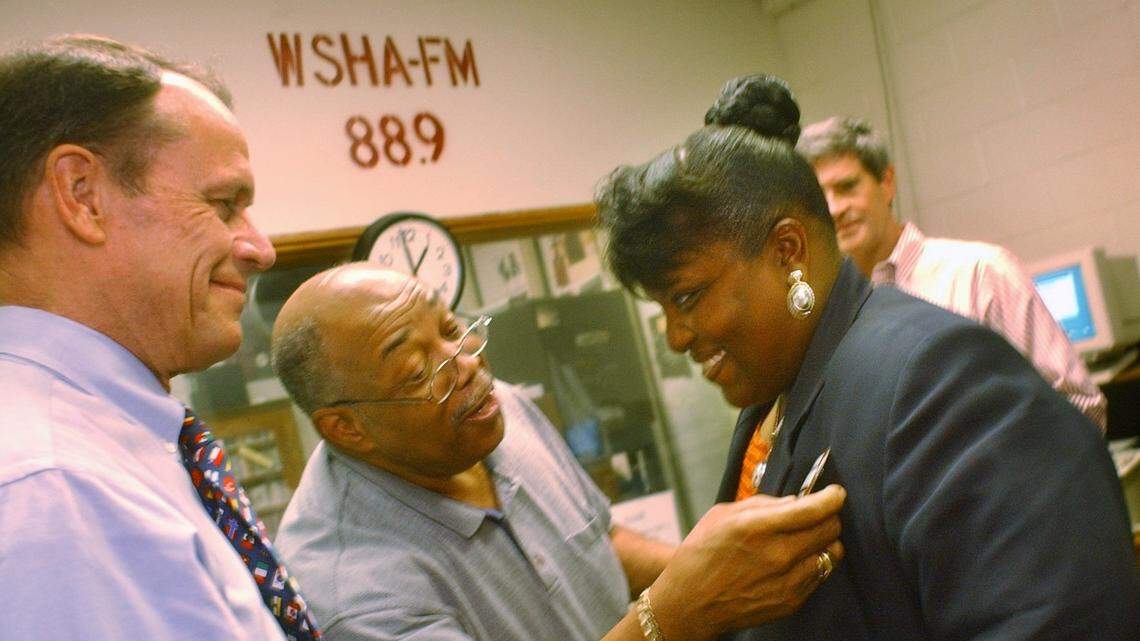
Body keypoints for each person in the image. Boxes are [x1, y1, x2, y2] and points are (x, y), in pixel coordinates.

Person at [594, 123, 1140, 640]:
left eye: (686, 297)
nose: (674, 336)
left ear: (788, 251)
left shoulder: (940, 377)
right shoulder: (776, 395)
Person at [271, 263, 847, 641]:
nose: (468, 364)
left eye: (452, 327)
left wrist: (732, 569)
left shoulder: (500, 413)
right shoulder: (353, 594)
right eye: (421, 370)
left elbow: (598, 542)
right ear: (346, 428)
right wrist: (675, 612)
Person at [0, 35, 320, 640]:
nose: (260, 248)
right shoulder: (56, 491)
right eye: (223, 204)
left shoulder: (110, 451)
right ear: (81, 195)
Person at [705, 76, 1107, 431]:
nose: (834, 208)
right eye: (820, 196)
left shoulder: (981, 273)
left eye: (847, 187)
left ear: (887, 183)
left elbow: (1081, 407)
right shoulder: (826, 315)